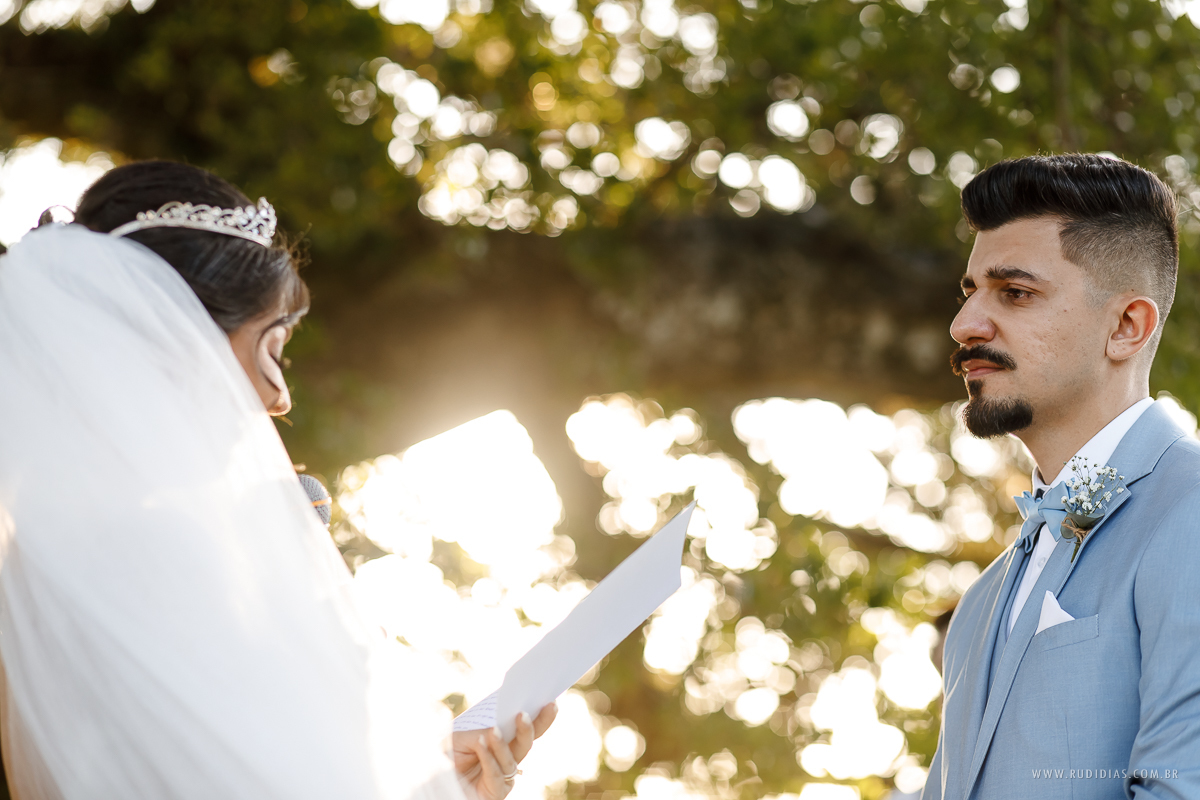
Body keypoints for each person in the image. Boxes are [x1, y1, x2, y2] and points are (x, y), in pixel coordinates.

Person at [0, 161, 552, 800]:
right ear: (178, 339)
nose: (280, 397)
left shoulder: (42, 563)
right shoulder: (168, 551)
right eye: (272, 346)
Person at [922, 154, 1200, 799]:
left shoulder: (1191, 514)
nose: (964, 326)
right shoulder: (981, 601)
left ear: (1126, 327)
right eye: (970, 292)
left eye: (1015, 293)